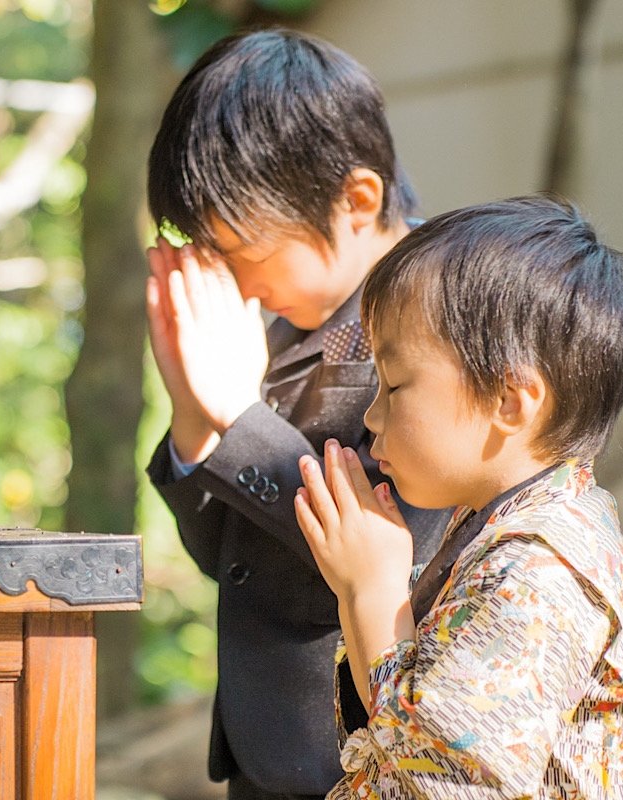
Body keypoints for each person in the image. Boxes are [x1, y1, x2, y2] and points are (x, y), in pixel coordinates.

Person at [295, 196, 623, 799]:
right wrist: (361, 594)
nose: (372, 416)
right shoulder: (503, 530)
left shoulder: (538, 568)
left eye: (396, 384)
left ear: (510, 402)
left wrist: (374, 591)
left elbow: (444, 784)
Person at [143, 29, 452, 800]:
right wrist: (194, 421)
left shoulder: (444, 322)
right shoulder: (279, 329)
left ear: (357, 201)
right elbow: (232, 559)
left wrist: (238, 415)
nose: (237, 284)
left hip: (365, 756)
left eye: (244, 248)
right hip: (260, 752)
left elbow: (403, 541)